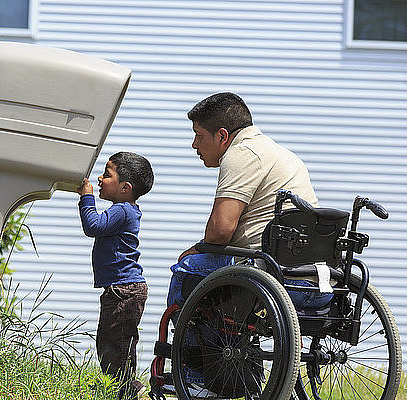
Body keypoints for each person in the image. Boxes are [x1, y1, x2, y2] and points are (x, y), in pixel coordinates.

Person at [167, 92, 323, 310]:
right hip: (317, 281)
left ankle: (187, 345)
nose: (194, 144)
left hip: (272, 276)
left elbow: (220, 231)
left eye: (198, 135)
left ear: (222, 136)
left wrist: (194, 250)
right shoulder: (287, 155)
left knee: (187, 267)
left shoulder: (241, 153)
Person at [77, 151, 154, 400]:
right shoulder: (123, 209)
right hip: (122, 289)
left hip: (124, 290)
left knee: (116, 344)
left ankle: (125, 391)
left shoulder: (122, 210)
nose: (100, 178)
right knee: (112, 341)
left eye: (107, 174)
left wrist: (87, 198)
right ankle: (123, 388)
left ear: (125, 188)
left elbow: (93, 226)